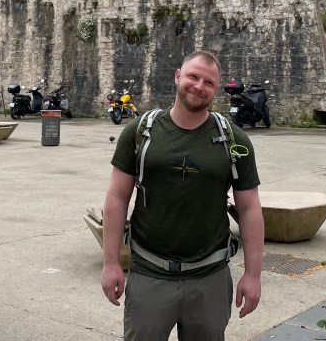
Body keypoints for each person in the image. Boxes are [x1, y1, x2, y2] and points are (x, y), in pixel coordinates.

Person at [101, 50, 263, 341]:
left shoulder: (234, 140)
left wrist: (253, 275)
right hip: (150, 273)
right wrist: (110, 262)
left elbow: (249, 208)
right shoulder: (141, 132)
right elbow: (117, 197)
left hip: (210, 277)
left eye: (209, 82)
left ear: (217, 88)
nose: (199, 86)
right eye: (193, 77)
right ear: (178, 76)